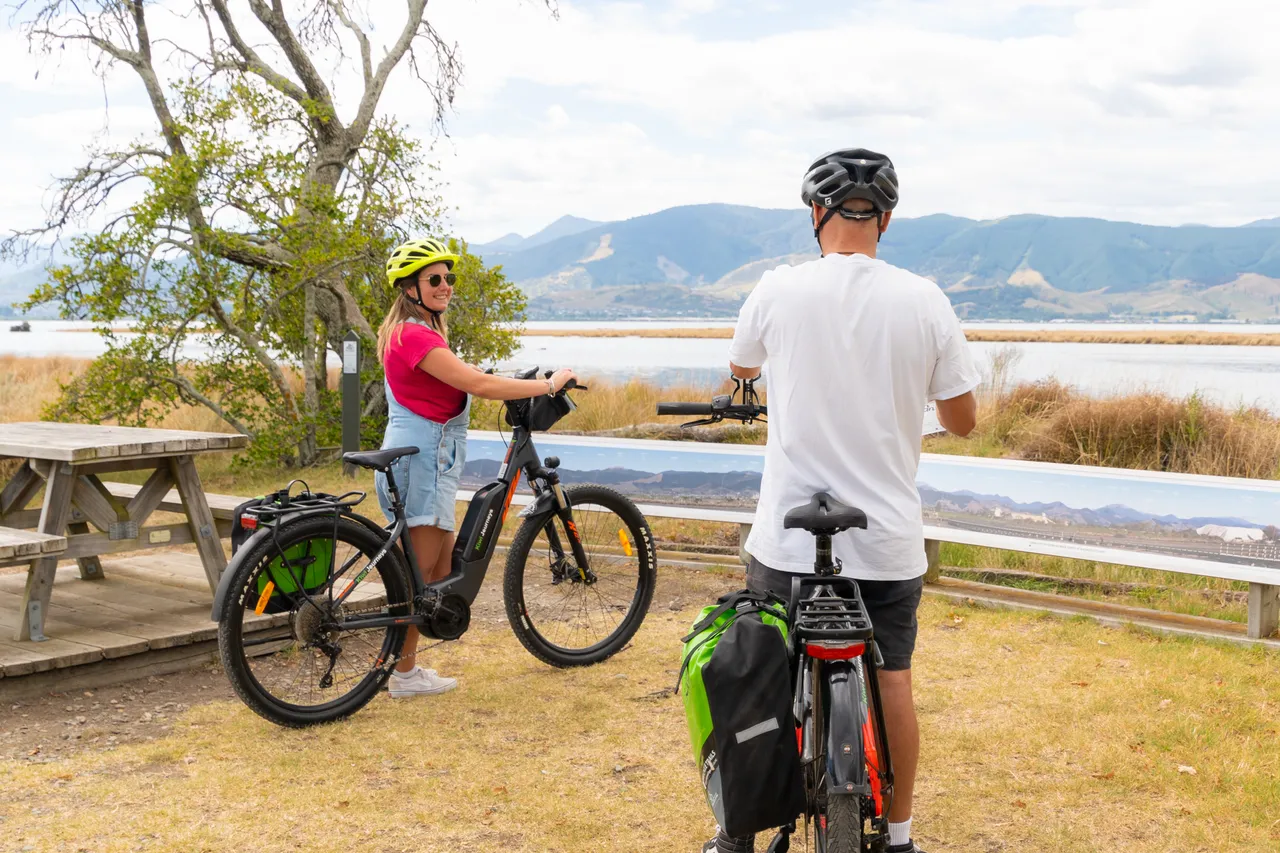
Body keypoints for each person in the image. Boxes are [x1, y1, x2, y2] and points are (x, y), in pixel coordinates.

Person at [705, 150, 979, 853]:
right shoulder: (926, 299)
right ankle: (903, 834)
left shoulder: (777, 290)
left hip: (788, 537)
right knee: (893, 674)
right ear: (886, 218)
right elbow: (962, 418)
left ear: (815, 216)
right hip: (886, 539)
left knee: (766, 673)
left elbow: (740, 365)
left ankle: (738, 833)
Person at [375, 237, 578, 697]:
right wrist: (547, 384)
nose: (445, 285)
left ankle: (404, 669)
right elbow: (478, 384)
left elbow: (464, 377)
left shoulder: (419, 333)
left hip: (432, 460)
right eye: (434, 279)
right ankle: (400, 675)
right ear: (410, 289)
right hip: (421, 461)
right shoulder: (413, 334)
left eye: (449, 277)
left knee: (437, 569)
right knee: (420, 576)